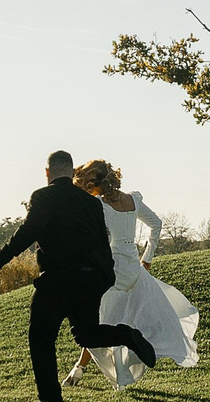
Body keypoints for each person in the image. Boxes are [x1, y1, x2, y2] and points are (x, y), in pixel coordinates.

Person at [0, 150, 158, 402]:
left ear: (47, 173)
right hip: (89, 279)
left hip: (56, 281)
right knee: (87, 334)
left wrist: (0, 259)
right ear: (71, 173)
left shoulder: (43, 196)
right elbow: (103, 243)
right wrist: (104, 278)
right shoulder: (91, 203)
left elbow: (27, 232)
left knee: (41, 336)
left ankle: (50, 396)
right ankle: (126, 335)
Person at [65, 159, 200, 388]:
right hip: (134, 270)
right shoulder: (132, 200)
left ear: (94, 183)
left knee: (99, 322)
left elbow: (102, 240)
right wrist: (147, 257)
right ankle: (81, 368)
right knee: (128, 321)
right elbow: (156, 224)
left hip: (111, 269)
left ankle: (82, 369)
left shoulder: (98, 206)